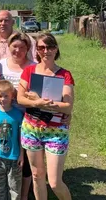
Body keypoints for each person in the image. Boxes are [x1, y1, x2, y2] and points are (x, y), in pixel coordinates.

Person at [17, 33, 75, 200]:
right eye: (41, 47)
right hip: (31, 128)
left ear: (56, 49)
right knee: (36, 175)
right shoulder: (29, 72)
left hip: (56, 131)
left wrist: (41, 102)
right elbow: (20, 98)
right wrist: (37, 104)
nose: (46, 51)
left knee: (55, 182)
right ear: (37, 50)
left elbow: (68, 106)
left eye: (50, 47)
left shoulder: (64, 75)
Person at [0, 32, 34, 200]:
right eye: (14, 46)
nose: (17, 50)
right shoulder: (0, 66)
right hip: (5, 118)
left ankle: (23, 196)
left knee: (25, 161)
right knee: (5, 156)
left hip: (27, 118)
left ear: (27, 49)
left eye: (22, 47)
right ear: (8, 47)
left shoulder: (34, 66)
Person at [0, 80, 24, 200]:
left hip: (14, 157)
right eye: (0, 96)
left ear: (12, 96)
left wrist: (22, 154)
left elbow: (21, 136)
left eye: (6, 96)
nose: (3, 99)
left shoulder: (17, 114)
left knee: (15, 187)